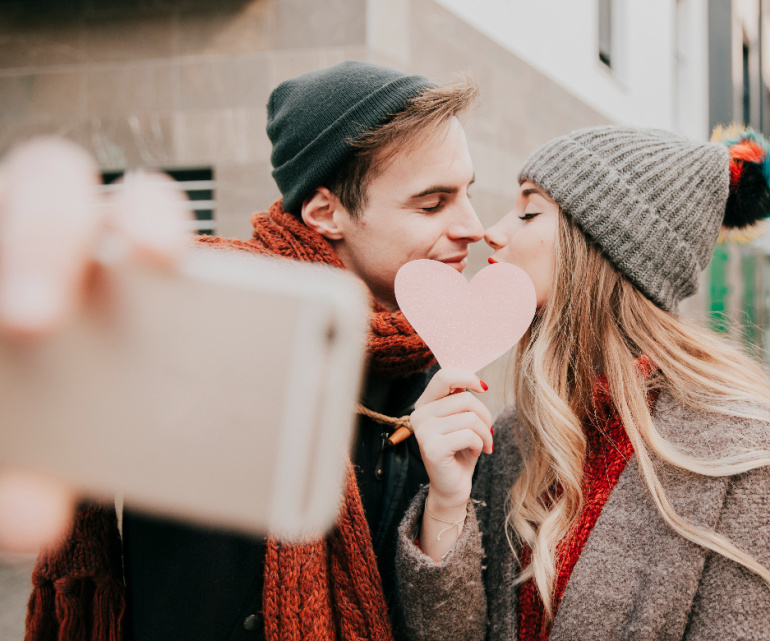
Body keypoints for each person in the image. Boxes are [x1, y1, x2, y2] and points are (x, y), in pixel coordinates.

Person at [16, 61, 484, 641]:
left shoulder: (427, 361)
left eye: (468, 193)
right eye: (433, 204)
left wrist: (446, 504)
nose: (474, 226)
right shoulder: (196, 320)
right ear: (325, 212)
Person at [395, 126, 770, 640]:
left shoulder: (743, 460)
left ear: (604, 248)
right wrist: (447, 504)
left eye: (529, 212)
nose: (492, 232)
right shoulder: (511, 437)